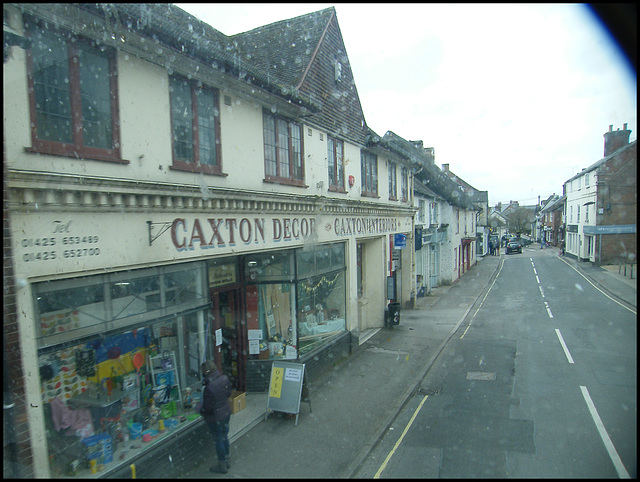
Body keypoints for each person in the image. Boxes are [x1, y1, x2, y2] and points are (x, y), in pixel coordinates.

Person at [199, 360, 232, 474]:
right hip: (226, 413)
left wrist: (200, 410)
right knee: (224, 436)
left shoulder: (208, 387)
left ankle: (222, 464)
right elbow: (228, 393)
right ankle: (227, 459)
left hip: (215, 418)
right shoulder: (224, 378)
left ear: (205, 372)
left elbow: (207, 408)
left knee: (218, 439)